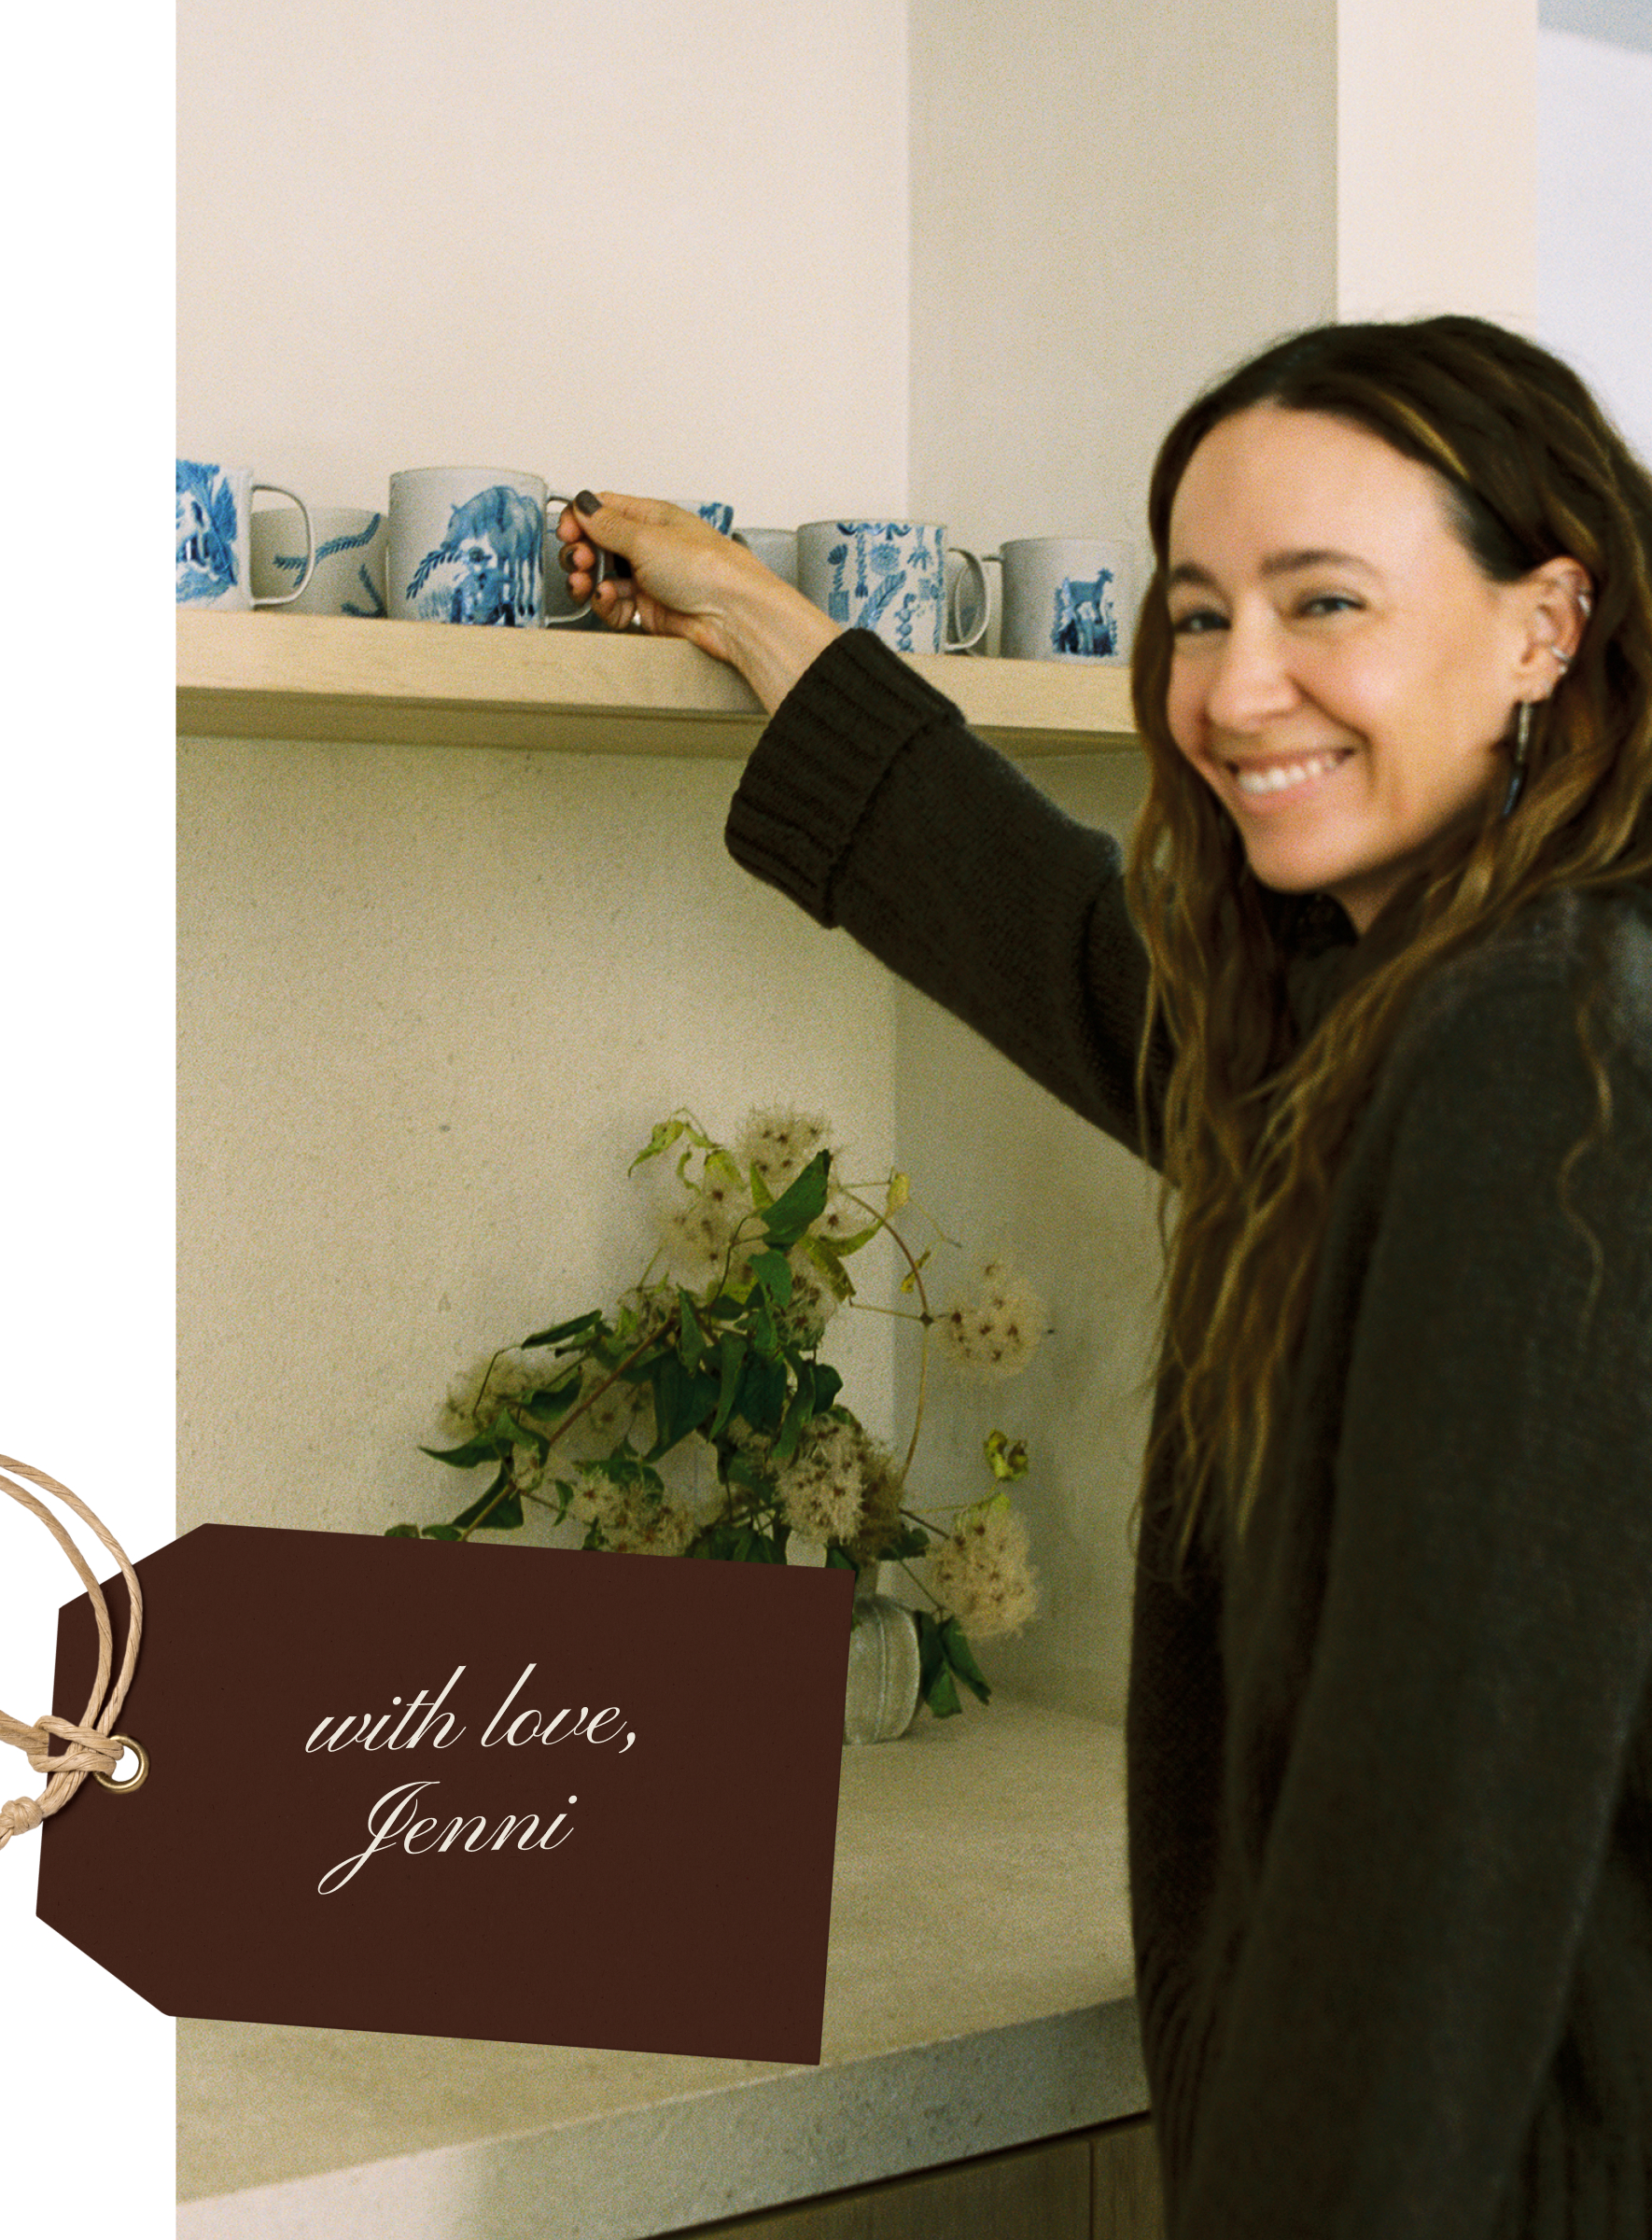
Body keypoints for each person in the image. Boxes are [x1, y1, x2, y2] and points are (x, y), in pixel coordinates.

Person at [556, 316, 1652, 2238]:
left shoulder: (1530, 1053)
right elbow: (1111, 982)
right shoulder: (1444, 998)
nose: (1236, 692)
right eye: (1198, 612)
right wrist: (762, 624)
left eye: (1325, 603)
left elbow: (1421, 1866)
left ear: (1545, 623)